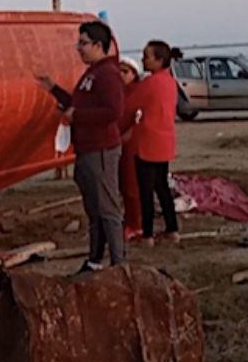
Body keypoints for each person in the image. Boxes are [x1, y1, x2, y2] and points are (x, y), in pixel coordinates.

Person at [34, 20, 126, 272]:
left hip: (101, 149)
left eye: (83, 43)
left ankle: (119, 264)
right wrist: (55, 90)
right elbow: (80, 104)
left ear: (98, 45)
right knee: (94, 209)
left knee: (107, 209)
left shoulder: (107, 74)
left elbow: (114, 111)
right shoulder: (92, 73)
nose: (79, 48)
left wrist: (78, 116)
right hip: (86, 149)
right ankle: (95, 260)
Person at [131, 41, 181, 245]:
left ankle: (148, 234)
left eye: (147, 56)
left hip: (148, 141)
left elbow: (130, 105)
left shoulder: (150, 83)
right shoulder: (169, 81)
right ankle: (172, 228)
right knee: (162, 187)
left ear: (159, 61)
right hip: (165, 140)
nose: (143, 59)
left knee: (146, 190)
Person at [117, 57, 144, 240]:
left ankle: (136, 224)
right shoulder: (117, 92)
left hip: (132, 145)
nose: (120, 75)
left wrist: (128, 135)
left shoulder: (138, 93)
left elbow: (140, 118)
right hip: (115, 143)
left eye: (125, 72)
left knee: (131, 184)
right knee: (120, 184)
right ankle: (128, 220)